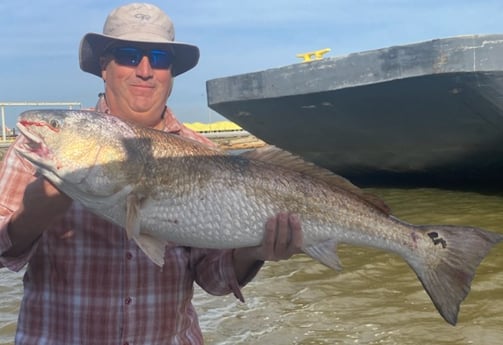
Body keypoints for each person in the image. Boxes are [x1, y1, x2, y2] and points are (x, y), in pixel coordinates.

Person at [0, 3, 303, 345]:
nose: (145, 70)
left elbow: (213, 279)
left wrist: (254, 251)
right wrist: (33, 216)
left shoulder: (204, 154)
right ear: (104, 66)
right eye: (128, 55)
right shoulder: (44, 148)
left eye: (159, 58)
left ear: (170, 72)